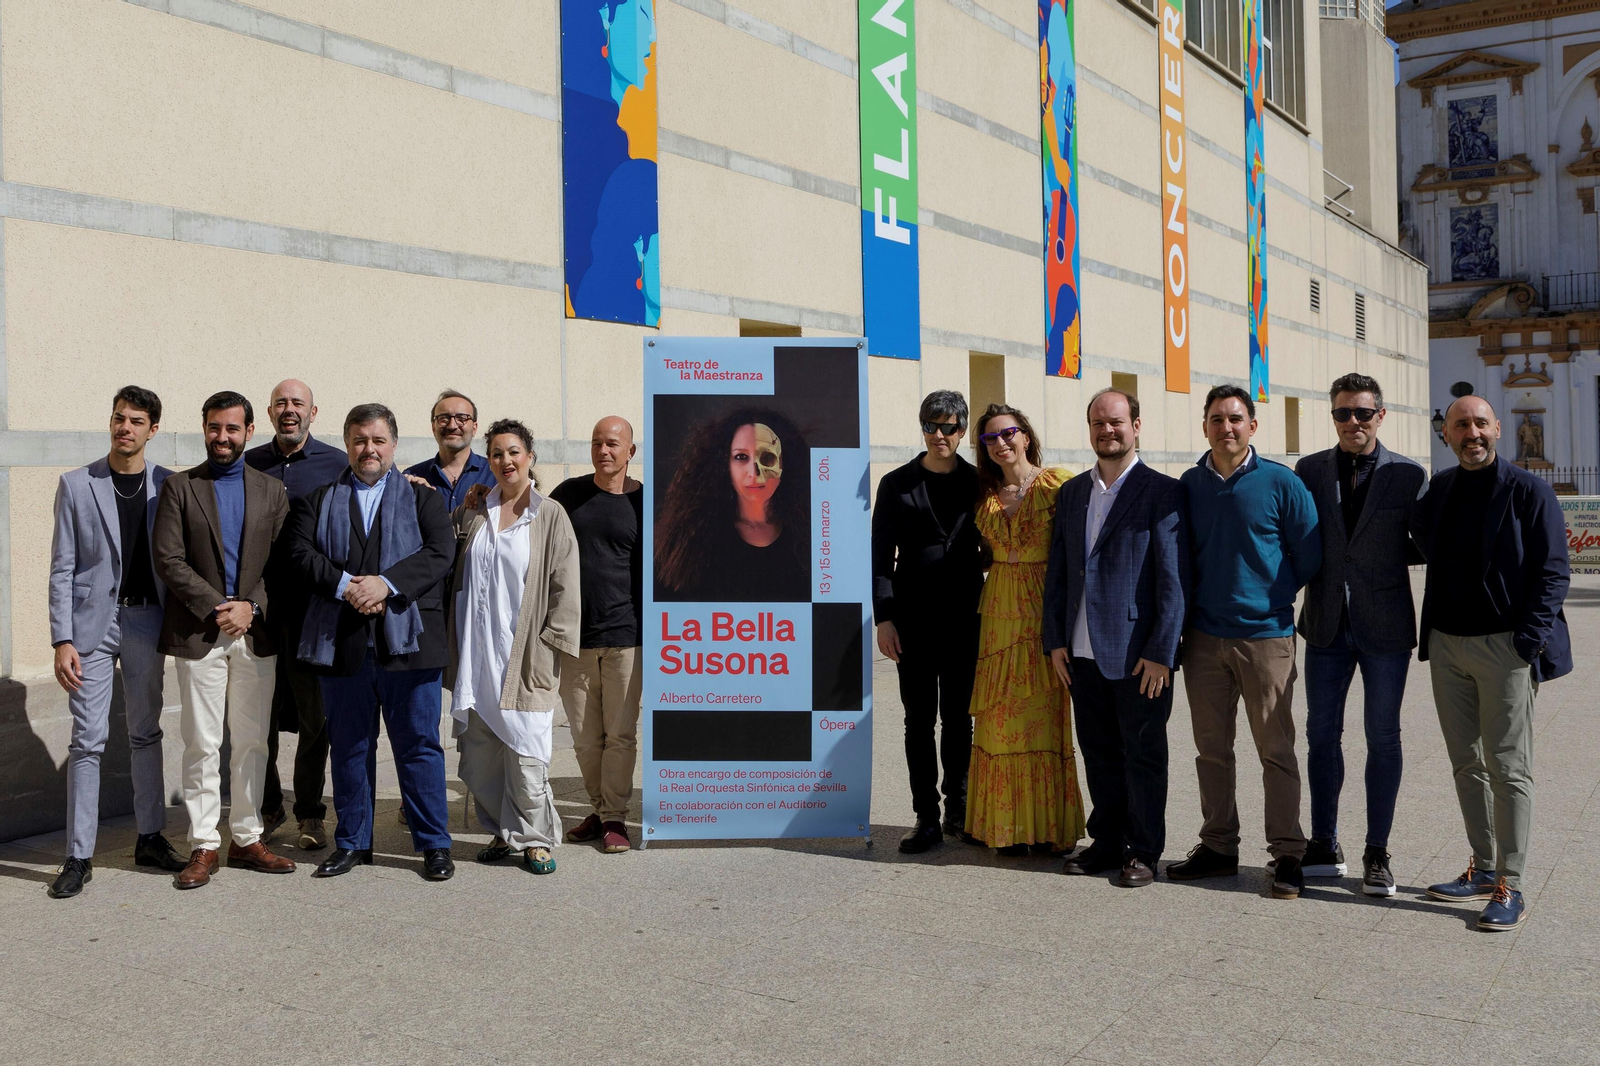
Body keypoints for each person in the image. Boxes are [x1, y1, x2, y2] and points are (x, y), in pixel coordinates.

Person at [1414, 395, 1570, 931]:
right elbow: (1419, 541)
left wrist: (1526, 643)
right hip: (1448, 646)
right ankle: (1482, 868)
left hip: (1505, 647)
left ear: (1497, 428)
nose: (1471, 432)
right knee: (1466, 764)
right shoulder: (1441, 489)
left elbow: (1554, 572)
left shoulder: (1530, 490)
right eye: (1461, 425)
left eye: (1480, 423)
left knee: (1508, 767)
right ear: (1448, 435)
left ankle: (1512, 883)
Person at [289, 403, 457, 881]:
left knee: (420, 746)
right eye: (360, 440)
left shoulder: (423, 500)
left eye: (378, 440)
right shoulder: (320, 500)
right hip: (341, 643)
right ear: (347, 444)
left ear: (394, 446)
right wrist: (347, 586)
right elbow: (299, 553)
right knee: (349, 746)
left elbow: (440, 553)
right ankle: (352, 843)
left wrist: (386, 583)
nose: (369, 449)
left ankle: (433, 845)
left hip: (410, 645)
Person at [1166, 385, 1320, 899]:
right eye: (1216, 419)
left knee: (1275, 749)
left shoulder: (1281, 482)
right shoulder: (1189, 485)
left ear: (1253, 426)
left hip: (1266, 639)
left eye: (1235, 419)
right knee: (1211, 750)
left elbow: (1309, 555)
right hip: (1204, 639)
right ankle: (1218, 846)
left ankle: (1288, 854)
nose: (1226, 427)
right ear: (1205, 426)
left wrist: (1268, 597)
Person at [46, 387, 187, 898]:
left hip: (148, 622)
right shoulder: (77, 484)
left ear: (153, 430)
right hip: (91, 628)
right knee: (87, 740)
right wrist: (62, 638)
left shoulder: (170, 485)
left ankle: (149, 836)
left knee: (147, 732)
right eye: (118, 418)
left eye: (136, 421)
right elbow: (62, 568)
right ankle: (78, 855)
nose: (124, 427)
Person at [1044, 388, 1189, 887]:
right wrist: (1055, 640)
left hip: (1137, 656)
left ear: (1136, 426)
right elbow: (1059, 571)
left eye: (1116, 422)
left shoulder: (1162, 491)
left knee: (1144, 754)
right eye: (1098, 423)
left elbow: (1173, 580)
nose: (1108, 431)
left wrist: (1161, 653)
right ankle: (1106, 842)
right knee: (1098, 750)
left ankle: (1144, 851)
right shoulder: (1072, 493)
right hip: (1080, 651)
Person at [152, 390, 295, 888]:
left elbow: (282, 563)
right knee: (202, 742)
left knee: (255, 742)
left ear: (249, 431)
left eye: (232, 429)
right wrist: (221, 608)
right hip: (200, 633)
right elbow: (169, 560)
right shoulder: (180, 487)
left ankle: (248, 837)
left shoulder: (272, 491)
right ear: (204, 428)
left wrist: (250, 607)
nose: (222, 437)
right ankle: (203, 844)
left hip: (256, 633)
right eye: (214, 428)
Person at [1294, 374, 1426, 897]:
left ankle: (1377, 851)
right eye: (1343, 413)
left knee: (1383, 738)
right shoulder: (1309, 471)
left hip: (1386, 626)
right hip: (1325, 625)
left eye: (1363, 413)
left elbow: (1426, 541)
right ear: (1333, 417)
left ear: (1381, 415)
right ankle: (1324, 842)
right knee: (1321, 735)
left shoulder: (1408, 476)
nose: (1353, 422)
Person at [447, 420, 580, 874]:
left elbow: (566, 585)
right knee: (481, 754)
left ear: (530, 458)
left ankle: (537, 838)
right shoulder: (475, 510)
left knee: (526, 753)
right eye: (498, 453)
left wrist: (550, 645)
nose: (507, 461)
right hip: (477, 651)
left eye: (515, 452)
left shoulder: (549, 514)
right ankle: (504, 831)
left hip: (523, 653)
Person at [965, 403, 1084, 854]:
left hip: (1042, 614)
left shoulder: (1060, 483)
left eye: (1007, 433)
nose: (1000, 443)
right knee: (997, 722)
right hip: (997, 615)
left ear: (1026, 436)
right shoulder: (985, 497)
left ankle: (1048, 828)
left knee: (1044, 719)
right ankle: (1007, 828)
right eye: (990, 438)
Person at [871, 390, 984, 853]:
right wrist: (885, 619)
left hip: (965, 620)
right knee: (919, 720)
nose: (940, 435)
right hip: (913, 623)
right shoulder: (896, 484)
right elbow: (880, 557)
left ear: (962, 431)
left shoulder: (980, 483)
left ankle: (957, 807)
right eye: (932, 426)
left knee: (959, 719)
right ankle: (925, 817)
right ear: (922, 427)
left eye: (950, 427)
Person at [244, 378, 348, 850]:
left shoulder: (337, 465)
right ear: (269, 414)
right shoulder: (248, 462)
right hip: (259, 614)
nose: (290, 410)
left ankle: (309, 813)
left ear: (313, 411)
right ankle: (268, 808)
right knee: (257, 718)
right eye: (281, 403)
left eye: (298, 403)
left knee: (315, 718)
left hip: (314, 613)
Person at [550, 416, 645, 853]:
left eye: (612, 444)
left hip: (628, 637)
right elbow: (527, 518)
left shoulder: (646, 502)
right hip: (575, 637)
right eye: (596, 443)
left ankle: (614, 818)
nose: (603, 451)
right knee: (586, 737)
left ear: (630, 452)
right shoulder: (569, 495)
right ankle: (598, 807)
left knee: (620, 734)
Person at [655, 408, 809, 602]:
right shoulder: (692, 540)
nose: (754, 472)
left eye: (767, 457)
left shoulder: (810, 539)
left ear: (784, 464)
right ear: (725, 464)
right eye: (741, 457)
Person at [404, 389, 497, 511]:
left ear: (474, 428)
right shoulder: (413, 477)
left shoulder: (495, 474)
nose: (452, 426)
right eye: (444, 418)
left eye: (462, 418)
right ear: (433, 427)